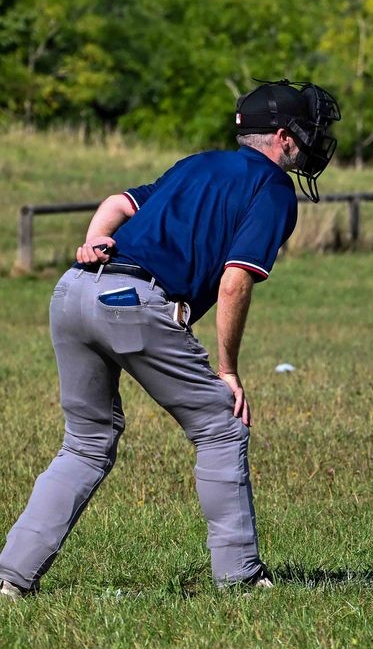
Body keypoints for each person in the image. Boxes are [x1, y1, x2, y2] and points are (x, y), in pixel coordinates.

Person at [0, 80, 341, 597]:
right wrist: (227, 371)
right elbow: (234, 281)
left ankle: (10, 576)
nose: (315, 142)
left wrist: (93, 241)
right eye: (309, 132)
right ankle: (240, 579)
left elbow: (118, 202)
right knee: (221, 426)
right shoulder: (272, 187)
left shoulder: (197, 164)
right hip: (132, 303)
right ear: (283, 138)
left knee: (87, 442)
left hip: (72, 290)